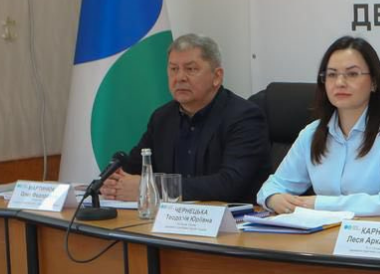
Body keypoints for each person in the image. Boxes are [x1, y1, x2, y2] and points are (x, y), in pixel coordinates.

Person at [257, 36, 380, 215]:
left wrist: (320, 204)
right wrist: (273, 198)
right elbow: (273, 186)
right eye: (332, 74)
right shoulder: (312, 133)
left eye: (352, 74)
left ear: (374, 82)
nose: (340, 83)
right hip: (325, 230)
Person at [101, 34, 270, 204]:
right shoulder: (162, 118)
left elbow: (229, 184)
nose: (180, 77)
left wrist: (152, 188)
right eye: (174, 69)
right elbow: (134, 167)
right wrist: (113, 182)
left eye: (191, 69)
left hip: (230, 217)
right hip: (169, 217)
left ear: (217, 77)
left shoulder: (244, 117)